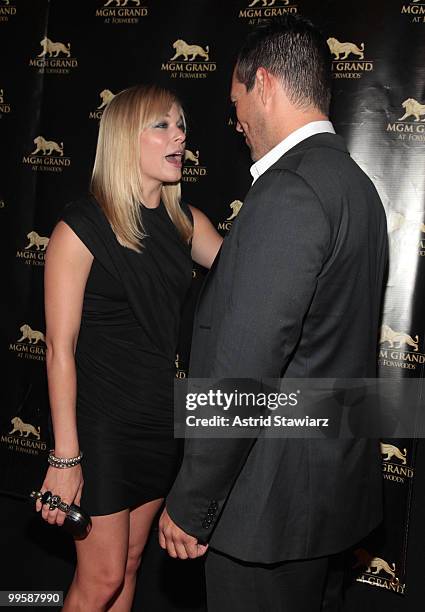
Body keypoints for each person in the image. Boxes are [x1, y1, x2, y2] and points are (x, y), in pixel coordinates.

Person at [159, 15, 388, 611]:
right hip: (323, 502)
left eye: (237, 105)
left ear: (264, 84)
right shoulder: (356, 188)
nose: (237, 125)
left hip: (267, 510)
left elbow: (246, 370)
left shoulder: (290, 190)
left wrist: (192, 501)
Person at [36, 84, 222, 612]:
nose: (179, 134)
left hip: (156, 422)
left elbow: (247, 270)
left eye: (181, 123)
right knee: (101, 578)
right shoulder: (79, 229)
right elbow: (58, 350)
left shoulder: (186, 223)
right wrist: (66, 458)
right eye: (161, 124)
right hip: (100, 427)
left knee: (132, 566)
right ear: (124, 138)